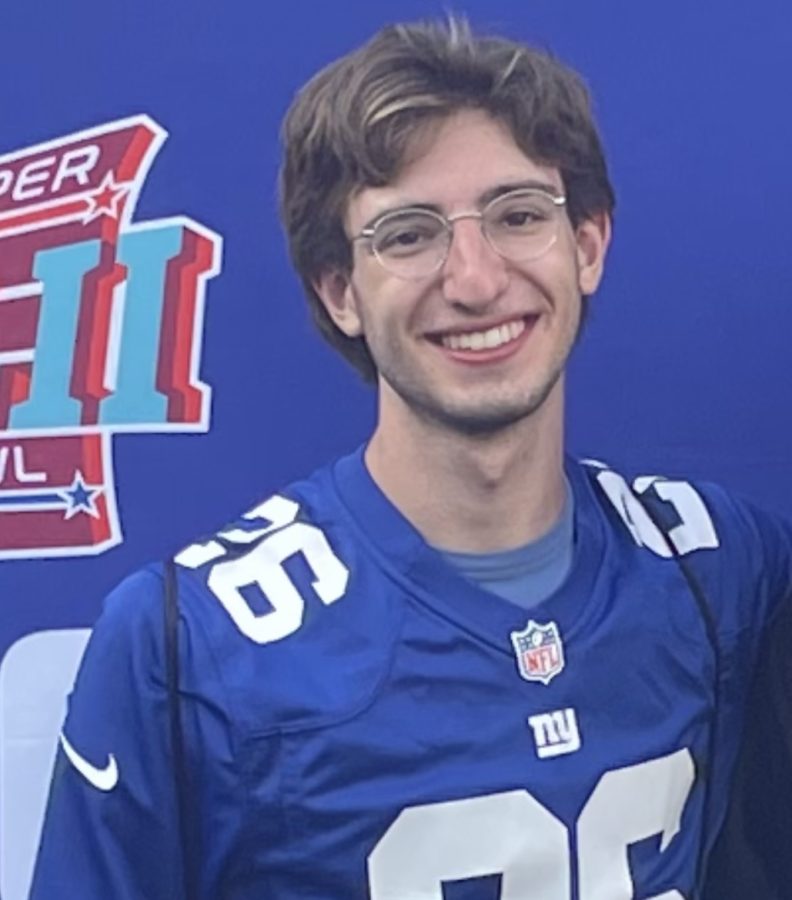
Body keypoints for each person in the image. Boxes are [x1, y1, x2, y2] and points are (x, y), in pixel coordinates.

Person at [29, 16, 792, 899]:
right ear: (339, 290)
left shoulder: (719, 570)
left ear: (587, 245)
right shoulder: (188, 646)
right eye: (408, 233)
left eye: (518, 215)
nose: (473, 279)